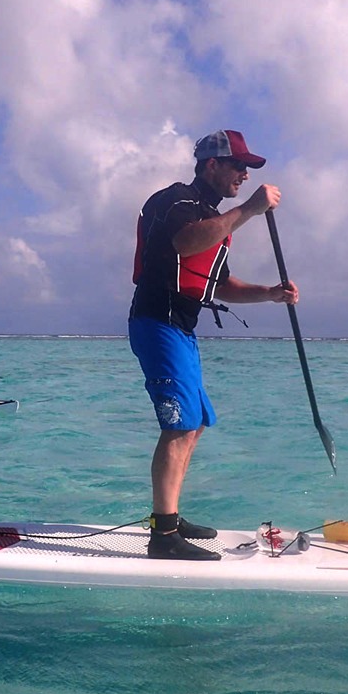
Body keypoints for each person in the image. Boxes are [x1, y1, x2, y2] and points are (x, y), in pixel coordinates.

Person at [129, 129, 299, 561]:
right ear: (212, 165)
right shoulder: (177, 201)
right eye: (238, 166)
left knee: (196, 421)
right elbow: (185, 241)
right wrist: (250, 209)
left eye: (247, 169)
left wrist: (270, 293)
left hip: (181, 329)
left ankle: (170, 514)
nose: (244, 174)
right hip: (157, 322)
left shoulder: (210, 217)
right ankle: (163, 536)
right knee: (179, 426)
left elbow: (221, 285)